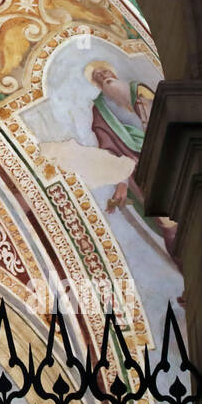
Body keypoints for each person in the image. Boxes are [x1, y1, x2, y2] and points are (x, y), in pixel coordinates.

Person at [83, 61, 179, 261]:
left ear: (114, 73)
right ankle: (184, 261)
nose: (103, 76)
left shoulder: (138, 90)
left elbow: (167, 115)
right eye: (98, 76)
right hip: (138, 165)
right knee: (167, 218)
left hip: (167, 151)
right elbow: (109, 148)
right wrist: (122, 181)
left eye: (105, 71)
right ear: (96, 84)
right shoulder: (100, 110)